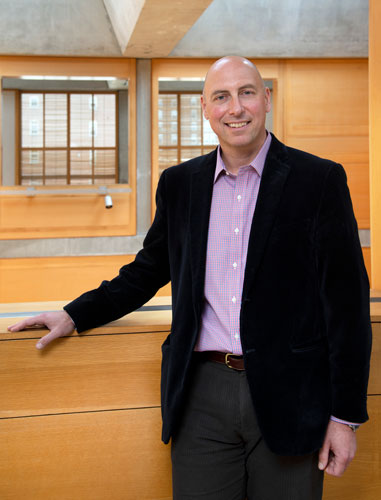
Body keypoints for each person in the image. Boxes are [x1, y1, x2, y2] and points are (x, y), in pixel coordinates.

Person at [9, 56, 372, 500]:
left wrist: (344, 417)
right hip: (201, 394)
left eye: (246, 92)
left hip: (291, 394)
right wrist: (73, 314)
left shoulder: (319, 180)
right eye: (221, 97)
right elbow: (146, 272)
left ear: (267, 99)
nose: (235, 108)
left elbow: (348, 303)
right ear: (205, 107)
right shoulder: (181, 184)